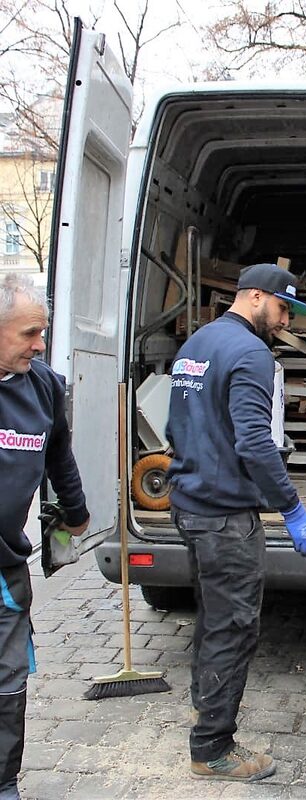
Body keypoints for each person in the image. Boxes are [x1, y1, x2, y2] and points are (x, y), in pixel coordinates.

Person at [166, 262, 306, 783]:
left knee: (212, 619)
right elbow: (255, 442)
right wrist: (293, 509)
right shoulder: (252, 354)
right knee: (234, 628)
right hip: (225, 518)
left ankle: (204, 711)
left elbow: (178, 424)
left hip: (190, 506)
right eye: (282, 309)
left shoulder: (198, 343)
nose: (285, 322)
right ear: (255, 297)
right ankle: (212, 749)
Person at [0, 274, 90, 800]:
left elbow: (59, 454)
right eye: (29, 333)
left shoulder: (44, 385)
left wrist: (76, 514)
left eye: (43, 333)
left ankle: (4, 784)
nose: (40, 344)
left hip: (6, 566)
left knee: (9, 682)